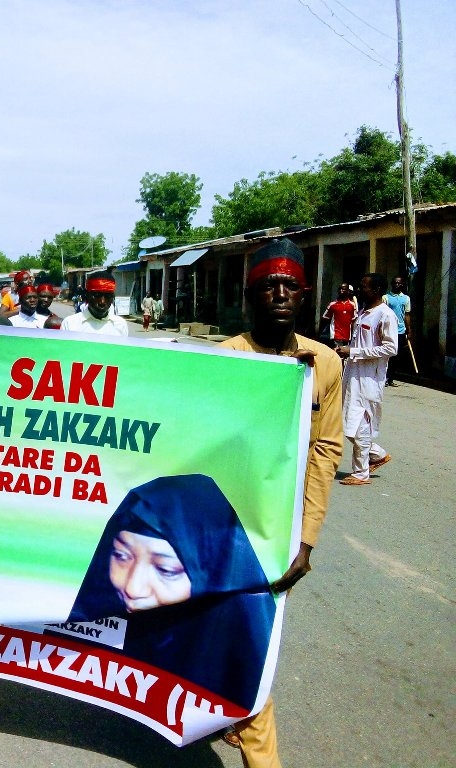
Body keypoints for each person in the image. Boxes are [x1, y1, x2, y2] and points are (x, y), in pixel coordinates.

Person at [219, 237, 343, 766]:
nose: (279, 294)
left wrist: (307, 538)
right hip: (229, 526)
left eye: (290, 286)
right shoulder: (226, 359)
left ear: (304, 295)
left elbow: (326, 450)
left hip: (281, 531)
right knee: (243, 643)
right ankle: (243, 719)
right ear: (250, 297)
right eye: (268, 286)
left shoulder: (326, 364)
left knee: (251, 643)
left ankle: (240, 716)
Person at [67, 474, 276, 712]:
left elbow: (243, 688)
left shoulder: (233, 638)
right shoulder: (97, 599)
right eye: (121, 556)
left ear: (211, 572)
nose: (133, 588)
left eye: (166, 570)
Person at [336, 273, 398, 485]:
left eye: (363, 287)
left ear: (377, 290)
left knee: (359, 423)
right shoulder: (364, 312)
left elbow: (391, 347)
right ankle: (377, 454)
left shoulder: (385, 315)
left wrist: (354, 351)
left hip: (370, 379)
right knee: (348, 422)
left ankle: (361, 473)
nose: (358, 290)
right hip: (353, 375)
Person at [59, 273, 129, 336]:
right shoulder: (70, 324)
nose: (102, 302)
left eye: (108, 296)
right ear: (87, 295)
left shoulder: (120, 325)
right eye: (97, 295)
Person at [384, 275, 412, 386]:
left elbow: (407, 315)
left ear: (402, 284)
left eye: (399, 283)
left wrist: (409, 330)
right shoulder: (385, 297)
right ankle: (384, 377)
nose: (397, 285)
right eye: (395, 283)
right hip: (388, 329)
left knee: (396, 356)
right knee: (387, 355)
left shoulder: (406, 298)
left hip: (400, 330)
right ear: (392, 284)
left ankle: (390, 378)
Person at [320, 283, 356, 349]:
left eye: (343, 289)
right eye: (339, 289)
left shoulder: (352, 305)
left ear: (348, 291)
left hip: (348, 337)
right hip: (336, 336)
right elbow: (324, 319)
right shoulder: (332, 305)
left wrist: (354, 335)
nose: (341, 291)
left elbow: (353, 321)